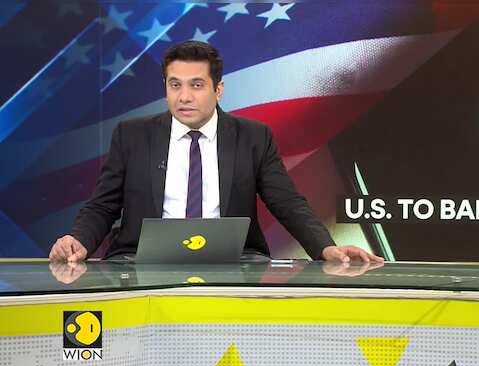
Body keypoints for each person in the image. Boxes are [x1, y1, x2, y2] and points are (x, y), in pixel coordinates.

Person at [49, 41, 382, 264]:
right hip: (138, 260)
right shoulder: (132, 136)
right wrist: (78, 240)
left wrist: (326, 248)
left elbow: (287, 202)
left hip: (234, 260)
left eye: (196, 85)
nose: (184, 97)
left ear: (218, 89)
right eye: (175, 85)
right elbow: (103, 205)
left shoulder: (253, 137)